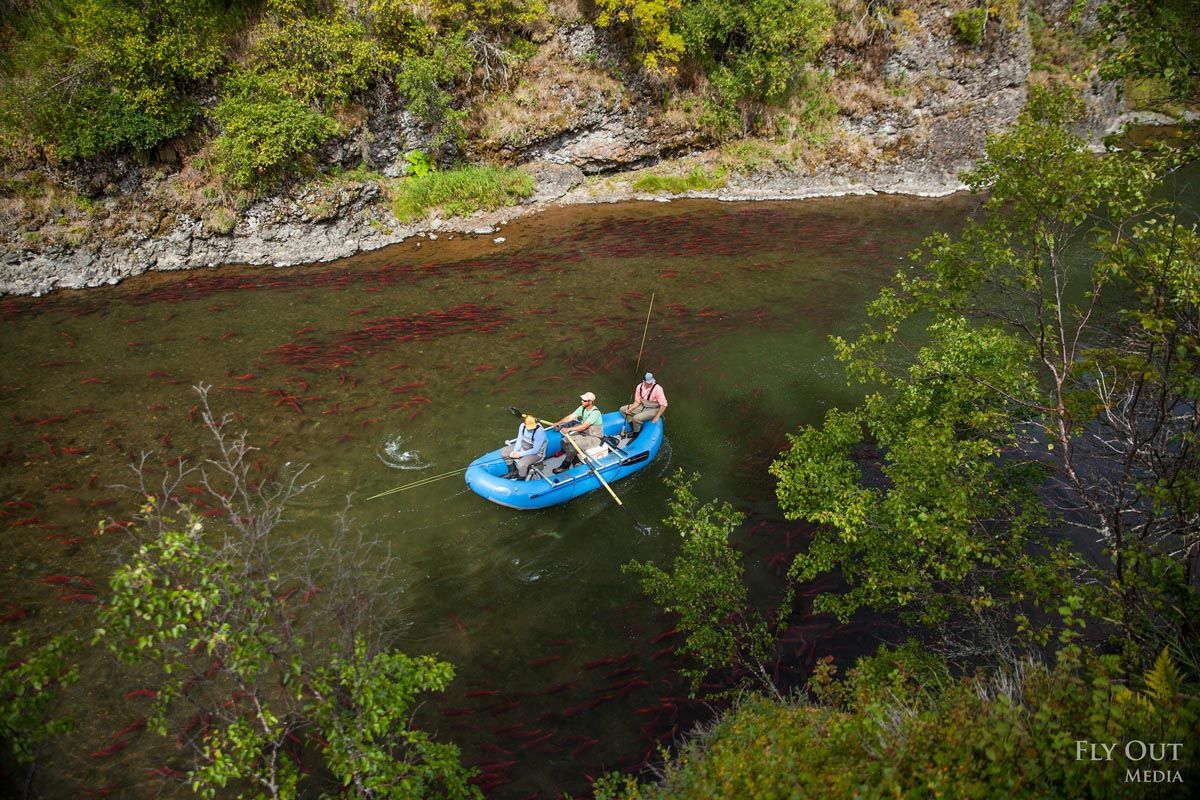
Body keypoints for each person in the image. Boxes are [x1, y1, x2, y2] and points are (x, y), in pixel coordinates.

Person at [551, 391, 604, 473]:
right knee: (564, 441)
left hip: (594, 437)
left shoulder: (595, 413)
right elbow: (570, 417)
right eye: (582, 400)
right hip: (584, 433)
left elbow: (584, 426)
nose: (582, 401)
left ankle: (565, 466)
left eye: (584, 400)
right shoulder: (582, 408)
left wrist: (569, 429)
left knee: (573, 446)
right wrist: (558, 423)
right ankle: (575, 458)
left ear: (590, 402)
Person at [620, 372, 667, 438]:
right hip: (643, 405)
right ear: (643, 381)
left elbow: (664, 405)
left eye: (651, 382)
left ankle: (636, 435)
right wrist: (631, 409)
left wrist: (656, 417)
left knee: (636, 418)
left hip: (654, 408)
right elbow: (637, 401)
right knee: (622, 410)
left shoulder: (658, 389)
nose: (650, 384)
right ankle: (634, 427)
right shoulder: (639, 387)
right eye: (648, 383)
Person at [503, 415, 547, 480]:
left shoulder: (539, 432)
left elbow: (535, 450)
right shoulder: (522, 426)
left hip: (536, 453)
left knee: (521, 465)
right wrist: (515, 451)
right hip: (524, 447)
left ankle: (521, 478)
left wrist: (520, 454)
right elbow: (519, 440)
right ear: (525, 424)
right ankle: (512, 472)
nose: (531, 429)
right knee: (504, 452)